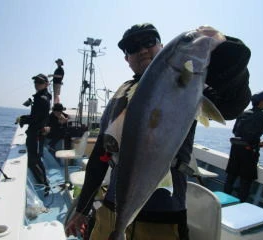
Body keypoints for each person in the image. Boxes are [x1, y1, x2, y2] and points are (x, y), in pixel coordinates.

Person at [65, 23, 251, 240]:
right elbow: (99, 157)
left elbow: (232, 104)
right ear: (127, 58)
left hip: (162, 218)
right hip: (112, 210)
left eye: (149, 42)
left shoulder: (189, 80)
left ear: (161, 46)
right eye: (133, 47)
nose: (142, 49)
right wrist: (81, 209)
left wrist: (218, 43)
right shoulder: (120, 95)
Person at [224, 91, 263, 202]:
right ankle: (241, 207)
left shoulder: (242, 113)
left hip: (235, 150)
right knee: (245, 182)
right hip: (249, 152)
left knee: (230, 179)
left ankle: (222, 204)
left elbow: (234, 131)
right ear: (261, 102)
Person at [16, 73, 52, 195]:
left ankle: (45, 184)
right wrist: (24, 118)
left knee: (35, 159)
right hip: (36, 132)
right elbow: (37, 116)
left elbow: (36, 118)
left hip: (36, 133)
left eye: (40, 82)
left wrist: (23, 119)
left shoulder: (41, 99)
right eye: (35, 82)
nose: (37, 84)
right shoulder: (43, 97)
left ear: (46, 84)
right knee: (35, 157)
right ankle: (43, 182)